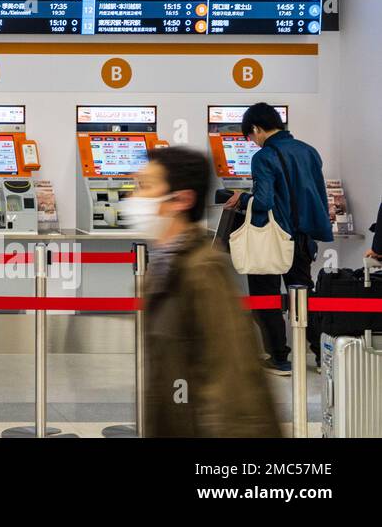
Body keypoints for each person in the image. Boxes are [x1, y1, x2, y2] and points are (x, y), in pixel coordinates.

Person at [132, 146, 281, 437]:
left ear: (181, 199)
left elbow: (235, 383)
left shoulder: (202, 270)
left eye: (145, 187)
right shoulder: (164, 266)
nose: (134, 198)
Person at [223, 102, 333, 374]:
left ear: (257, 129)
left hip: (271, 239)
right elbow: (316, 194)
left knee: (265, 296)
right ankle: (321, 356)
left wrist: (241, 198)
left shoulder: (264, 156)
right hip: (303, 238)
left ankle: (279, 357)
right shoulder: (309, 151)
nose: (252, 142)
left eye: (250, 136)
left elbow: (264, 201)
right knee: (304, 295)